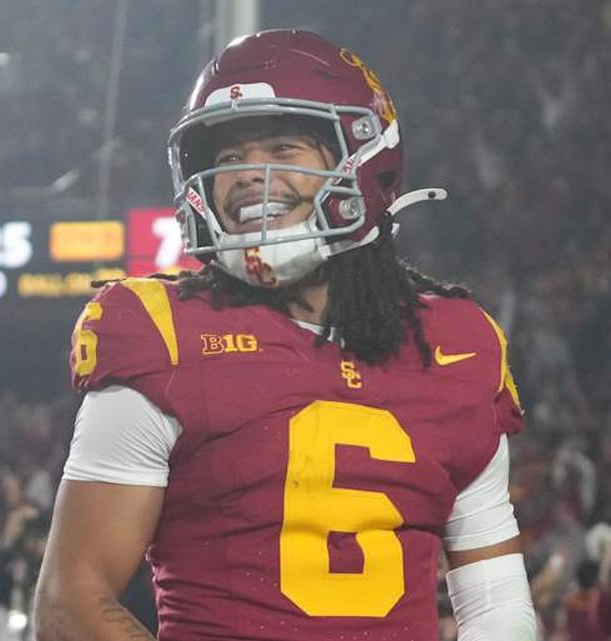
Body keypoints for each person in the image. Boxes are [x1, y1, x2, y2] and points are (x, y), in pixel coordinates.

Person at [35, 29, 537, 641]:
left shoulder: (456, 343)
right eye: (226, 160)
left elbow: (496, 605)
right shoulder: (162, 332)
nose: (248, 174)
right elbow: (72, 601)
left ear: (364, 161)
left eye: (282, 145)